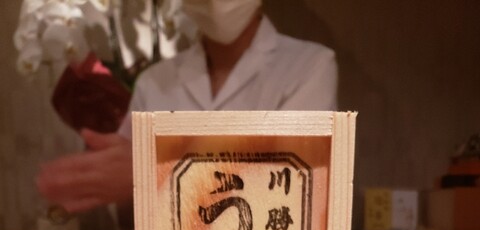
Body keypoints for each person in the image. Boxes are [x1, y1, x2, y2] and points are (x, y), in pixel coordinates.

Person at [36, 0, 337, 217]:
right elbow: (129, 195)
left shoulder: (310, 66)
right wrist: (102, 176)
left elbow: (293, 183)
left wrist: (153, 174)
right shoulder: (155, 81)